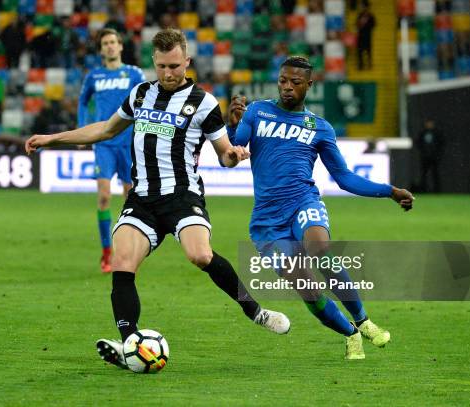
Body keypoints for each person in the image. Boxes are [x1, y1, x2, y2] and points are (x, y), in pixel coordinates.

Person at [26, 28, 290, 370]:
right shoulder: (139, 95)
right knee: (122, 262)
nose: (168, 73)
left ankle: (255, 311)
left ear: (187, 62)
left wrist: (235, 155)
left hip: (182, 196)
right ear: (154, 61)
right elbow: (105, 130)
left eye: (175, 66)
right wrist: (52, 138)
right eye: (163, 66)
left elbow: (223, 153)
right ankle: (129, 343)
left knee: (200, 254)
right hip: (143, 199)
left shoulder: (204, 102)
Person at [227, 56, 414, 359]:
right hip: (266, 222)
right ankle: (350, 333)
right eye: (283, 81)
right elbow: (237, 147)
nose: (287, 88)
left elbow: (343, 177)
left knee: (319, 248)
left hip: (303, 201)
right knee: (307, 287)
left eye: (295, 83)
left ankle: (363, 320)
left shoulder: (319, 127)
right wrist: (232, 122)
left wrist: (389, 191)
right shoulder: (258, 111)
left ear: (309, 85)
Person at [77, 28, 146, 273]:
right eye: (105, 43)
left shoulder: (134, 73)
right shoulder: (94, 76)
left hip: (128, 143)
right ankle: (107, 254)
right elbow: (83, 101)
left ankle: (127, 252)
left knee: (130, 199)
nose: (109, 46)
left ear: (120, 46)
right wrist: (83, 128)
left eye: (113, 42)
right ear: (101, 49)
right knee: (104, 196)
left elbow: (147, 100)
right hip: (104, 143)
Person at [415, 119, 444, 193]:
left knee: (435, 174)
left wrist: (437, 153)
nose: (429, 125)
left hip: (434, 158)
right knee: (423, 175)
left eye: (430, 123)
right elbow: (417, 143)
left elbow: (442, 143)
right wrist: (423, 152)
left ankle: (437, 190)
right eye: (428, 123)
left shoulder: (437, 133)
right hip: (425, 158)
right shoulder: (423, 133)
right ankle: (423, 190)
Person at [356, 0, 375, 70]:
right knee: (360, 52)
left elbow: (373, 24)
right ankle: (360, 65)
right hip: (361, 36)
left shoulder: (370, 16)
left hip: (367, 36)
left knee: (368, 51)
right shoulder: (360, 15)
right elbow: (357, 25)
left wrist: (366, 25)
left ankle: (369, 65)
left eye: (362, 6)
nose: (361, 7)